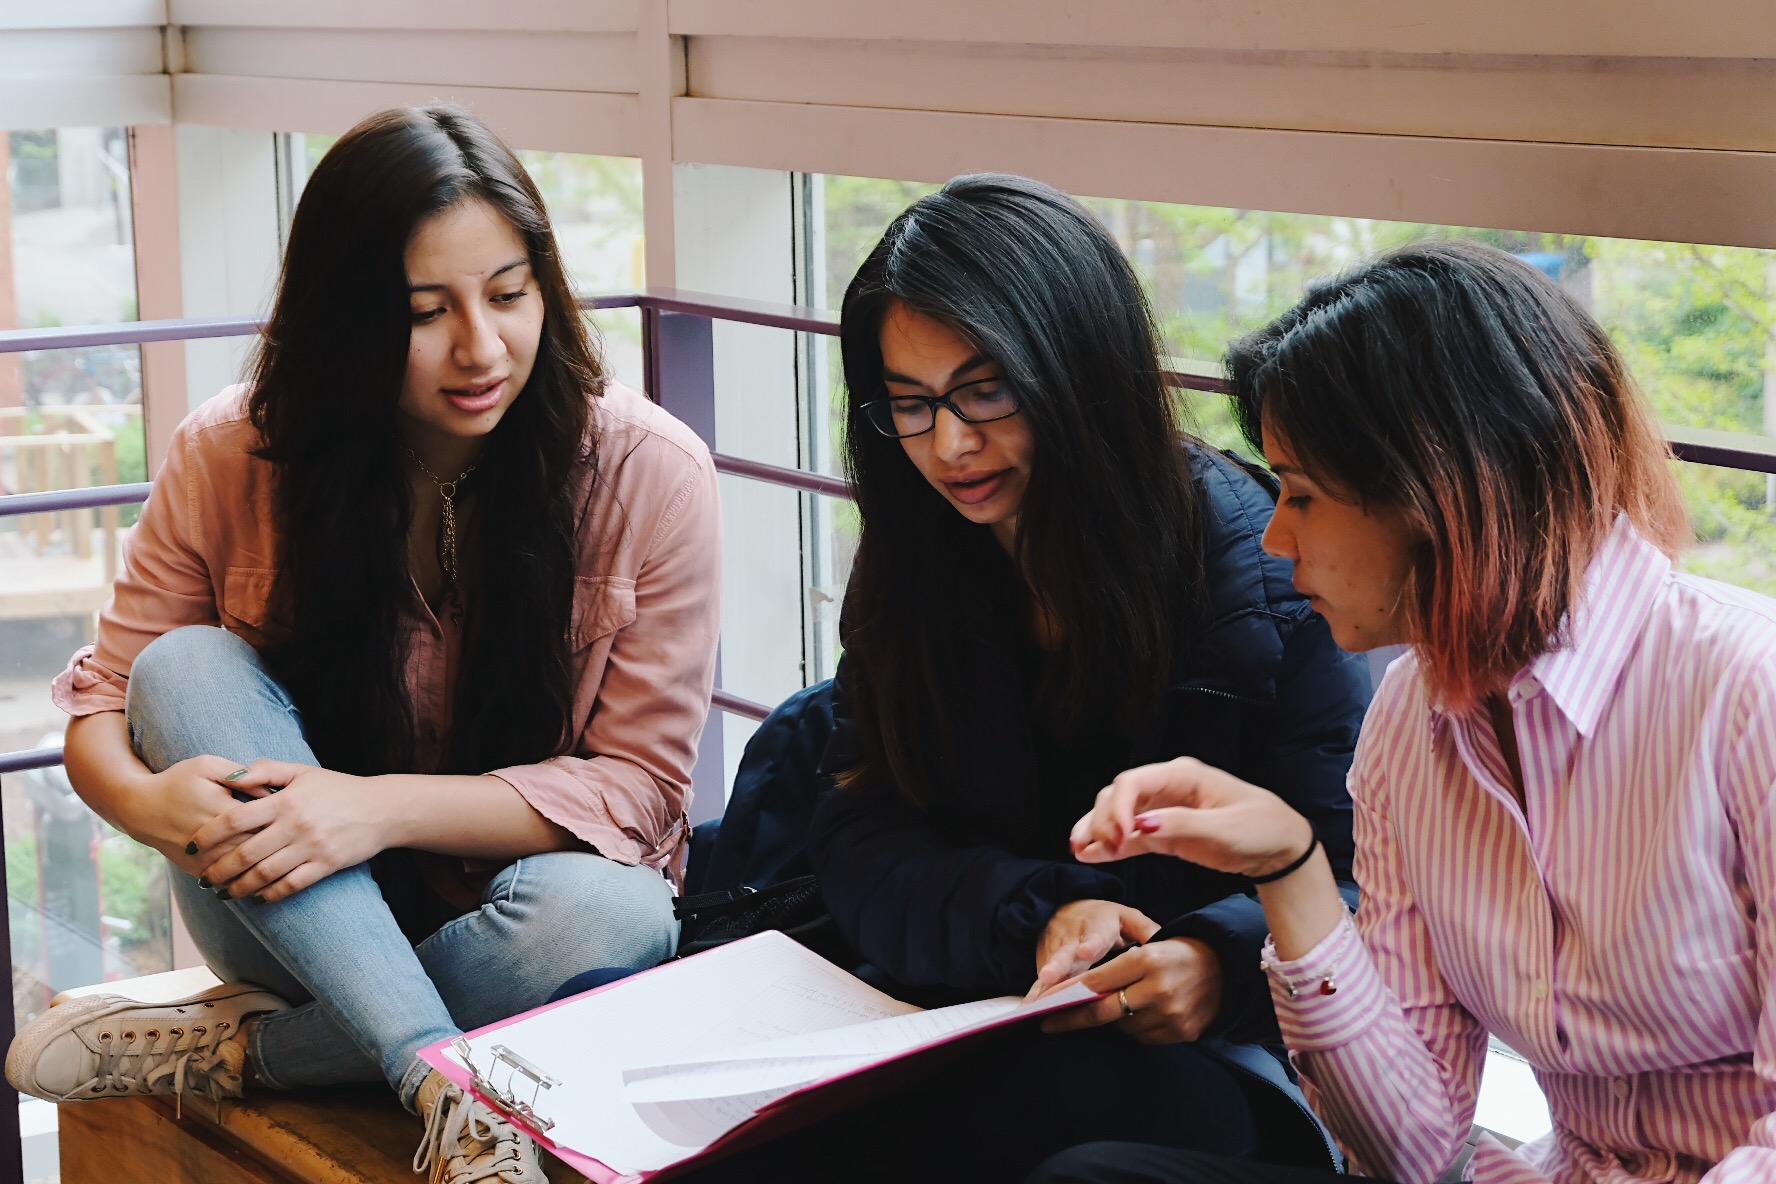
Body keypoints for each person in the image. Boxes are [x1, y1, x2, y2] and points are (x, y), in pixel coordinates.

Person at [5, 105, 720, 1184]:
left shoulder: (648, 472)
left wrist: (369, 805)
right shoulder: (235, 450)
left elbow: (638, 794)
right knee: (182, 667)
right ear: (344, 319)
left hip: (519, 928)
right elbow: (107, 700)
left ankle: (255, 1052)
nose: (479, 347)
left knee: (615, 910)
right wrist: (154, 806)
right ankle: (442, 1068)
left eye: (509, 294)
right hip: (287, 912)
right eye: (424, 312)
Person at [682, 174, 1371, 1184]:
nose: (951, 444)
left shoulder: (1259, 574)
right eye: (909, 405)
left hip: (1209, 1055)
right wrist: (1037, 914)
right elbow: (861, 824)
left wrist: (1216, 966)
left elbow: (1357, 865)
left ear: (1078, 369)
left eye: (985, 389)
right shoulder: (918, 555)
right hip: (967, 1001)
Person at [1041, 240, 1775, 1184]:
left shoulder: (1745, 692)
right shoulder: (1408, 725)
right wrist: (1291, 870)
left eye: (1302, 493)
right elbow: (1411, 1152)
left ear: (1438, 490)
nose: (1274, 536)